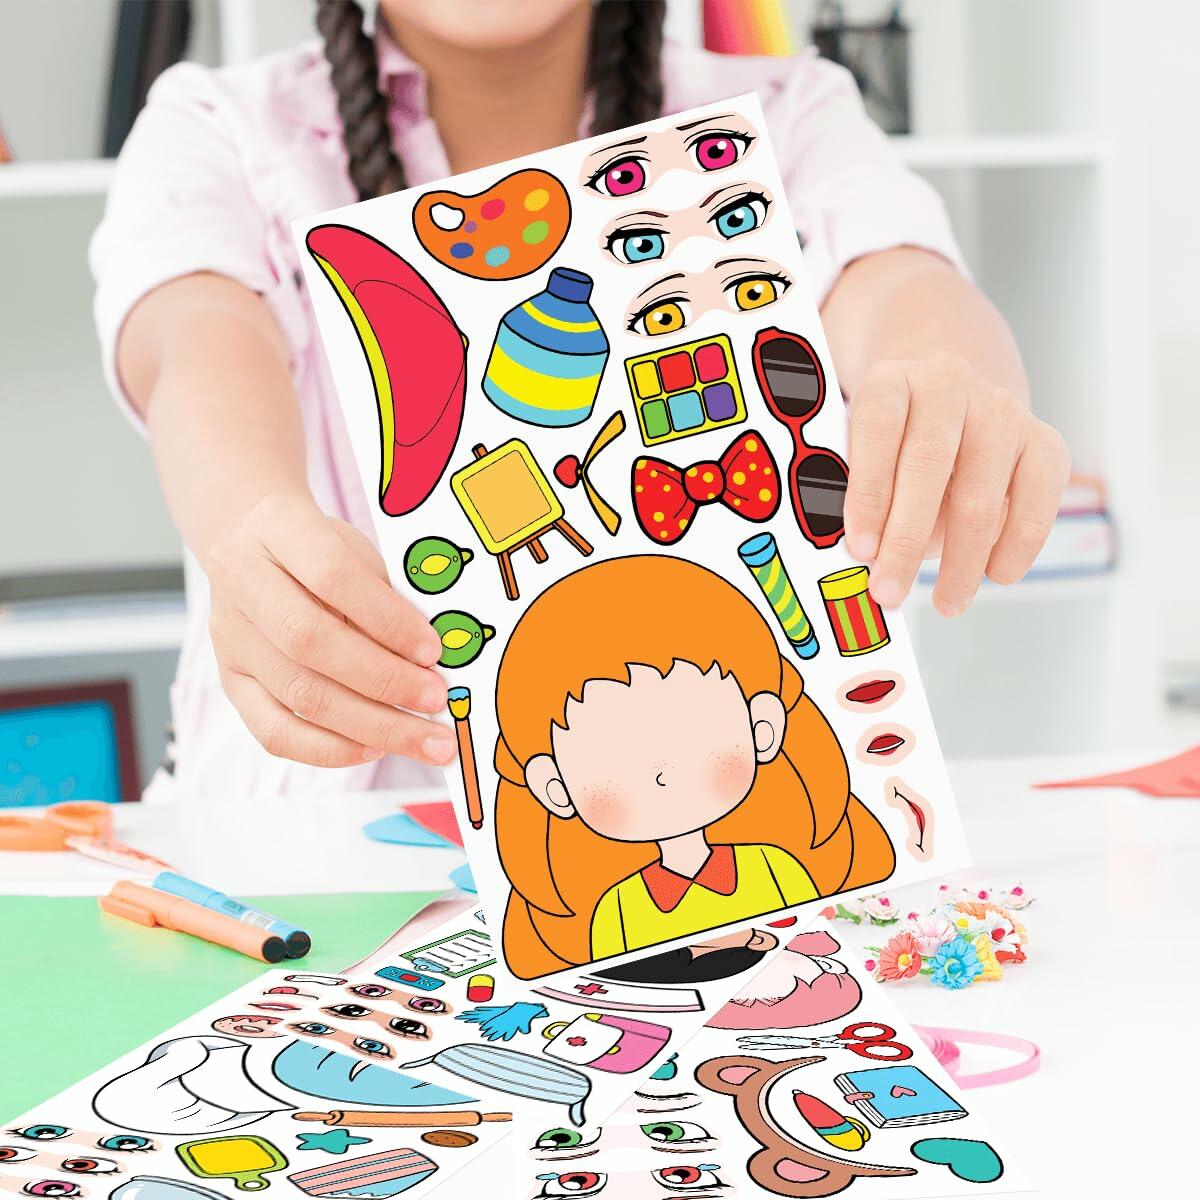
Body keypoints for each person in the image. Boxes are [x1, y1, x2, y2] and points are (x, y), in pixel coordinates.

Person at [91, 0, 1069, 800]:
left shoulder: (790, 112)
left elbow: (897, 276)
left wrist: (951, 375)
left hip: (731, 833)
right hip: (299, 856)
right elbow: (194, 338)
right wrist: (251, 520)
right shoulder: (216, 126)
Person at [493, 557, 895, 978]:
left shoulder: (773, 868)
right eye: (617, 747)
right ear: (555, 788)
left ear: (762, 729)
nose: (662, 774)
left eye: (689, 727)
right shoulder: (619, 908)